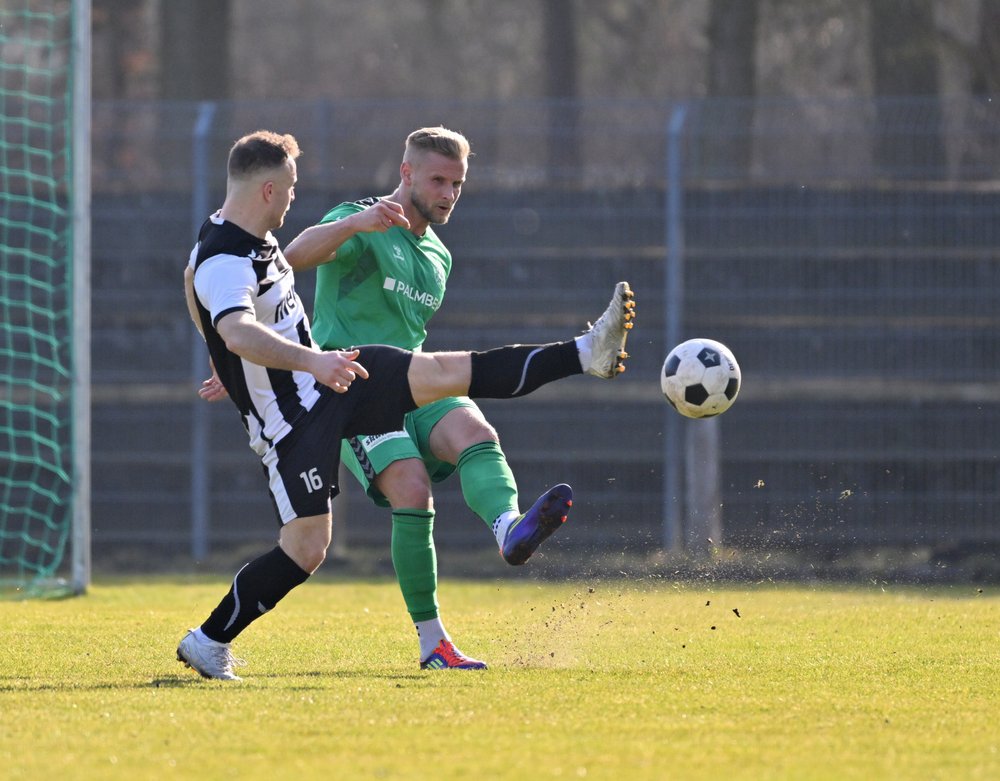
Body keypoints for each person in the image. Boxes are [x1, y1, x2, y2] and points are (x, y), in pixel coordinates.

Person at [178, 129, 635, 681]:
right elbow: (236, 318)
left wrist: (226, 355)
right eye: (292, 187)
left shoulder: (245, 237)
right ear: (270, 190)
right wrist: (278, 354)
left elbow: (200, 287)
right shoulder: (233, 255)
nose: (297, 197)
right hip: (295, 416)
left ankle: (584, 353)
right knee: (307, 548)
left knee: (452, 380)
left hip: (340, 378)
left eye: (456, 183)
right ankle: (208, 640)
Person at [278, 126, 586, 670]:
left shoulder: (438, 256)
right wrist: (354, 224)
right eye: (438, 180)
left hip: (413, 380)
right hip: (352, 389)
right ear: (407, 173)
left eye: (457, 184)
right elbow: (294, 256)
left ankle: (509, 529)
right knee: (413, 489)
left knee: (477, 433)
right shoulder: (363, 219)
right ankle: (433, 643)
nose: (448, 194)